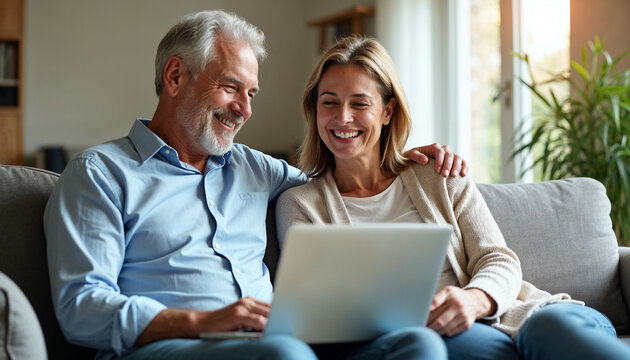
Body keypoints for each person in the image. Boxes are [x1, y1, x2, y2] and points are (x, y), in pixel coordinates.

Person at [44, 10, 464, 360]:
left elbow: (338, 180)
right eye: (230, 87)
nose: (244, 110)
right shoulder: (100, 174)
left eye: (252, 93)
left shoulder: (256, 168)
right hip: (170, 346)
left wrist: (401, 160)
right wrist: (205, 321)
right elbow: (80, 308)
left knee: (418, 344)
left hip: (269, 341)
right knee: (286, 355)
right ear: (175, 76)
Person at [275, 35, 630, 360]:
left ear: (387, 111)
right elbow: (316, 309)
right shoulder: (301, 205)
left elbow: (499, 259)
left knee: (549, 329)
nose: (343, 117)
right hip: (443, 339)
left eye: (360, 103)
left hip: (532, 314)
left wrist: (474, 299)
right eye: (329, 102)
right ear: (314, 110)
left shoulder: (437, 175)